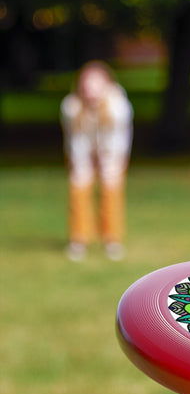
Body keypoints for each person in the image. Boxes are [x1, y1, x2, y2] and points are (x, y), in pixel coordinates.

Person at [60, 60, 133, 261]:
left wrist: (106, 160)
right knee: (79, 187)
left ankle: (112, 239)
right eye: (87, 84)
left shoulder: (118, 106)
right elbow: (76, 139)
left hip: (112, 152)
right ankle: (79, 239)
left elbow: (118, 139)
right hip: (82, 152)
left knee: (111, 190)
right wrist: (84, 162)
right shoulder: (71, 106)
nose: (91, 90)